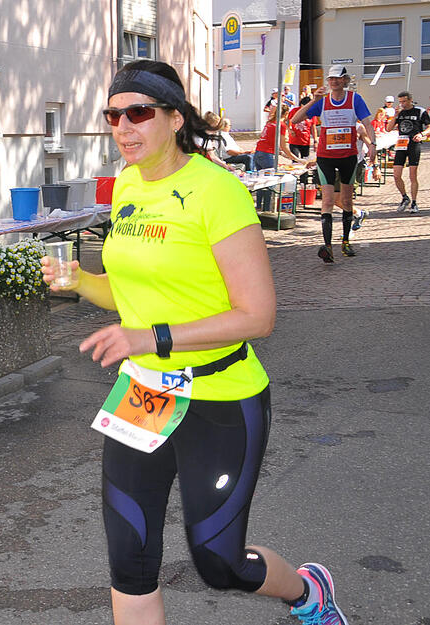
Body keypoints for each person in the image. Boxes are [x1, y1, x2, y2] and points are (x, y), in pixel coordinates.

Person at [41, 58, 351, 625]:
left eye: (138, 113)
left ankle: (307, 592)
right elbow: (134, 291)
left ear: (176, 118)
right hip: (144, 397)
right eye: (113, 115)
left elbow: (258, 316)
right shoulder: (129, 187)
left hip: (221, 397)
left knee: (219, 563)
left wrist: (152, 336)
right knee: (129, 560)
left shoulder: (217, 192)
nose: (122, 127)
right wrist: (81, 283)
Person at [290, 64, 376, 262]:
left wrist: (373, 145)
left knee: (346, 201)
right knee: (328, 201)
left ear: (345, 80)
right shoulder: (322, 101)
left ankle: (345, 242)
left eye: (339, 78)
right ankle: (327, 246)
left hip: (348, 156)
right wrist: (314, 100)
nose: (335, 81)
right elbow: (295, 119)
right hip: (326, 157)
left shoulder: (355, 99)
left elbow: (368, 124)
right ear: (328, 81)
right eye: (331, 79)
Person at [253, 103, 307, 212]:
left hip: (259, 152)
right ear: (286, 114)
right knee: (269, 182)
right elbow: (284, 146)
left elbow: (271, 142)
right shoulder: (281, 125)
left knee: (260, 182)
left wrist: (281, 153)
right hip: (267, 155)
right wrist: (297, 159)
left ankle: (259, 205)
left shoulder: (270, 123)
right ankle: (267, 209)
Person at [385, 90, 430, 213]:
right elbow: (388, 129)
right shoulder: (400, 113)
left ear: (410, 100)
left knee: (412, 175)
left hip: (413, 144)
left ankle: (414, 202)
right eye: (400, 102)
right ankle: (405, 197)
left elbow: (429, 126)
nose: (402, 104)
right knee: (396, 175)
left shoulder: (420, 111)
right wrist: (395, 116)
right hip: (401, 144)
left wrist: (422, 134)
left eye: (404, 101)